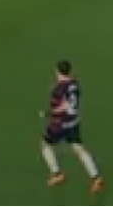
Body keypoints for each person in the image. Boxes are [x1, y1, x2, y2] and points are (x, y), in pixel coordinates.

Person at [42, 59, 103, 193]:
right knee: (79, 149)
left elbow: (64, 106)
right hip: (73, 122)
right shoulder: (74, 84)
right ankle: (96, 177)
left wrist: (49, 113)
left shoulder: (58, 89)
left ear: (57, 71)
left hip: (60, 124)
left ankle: (57, 174)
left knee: (45, 144)